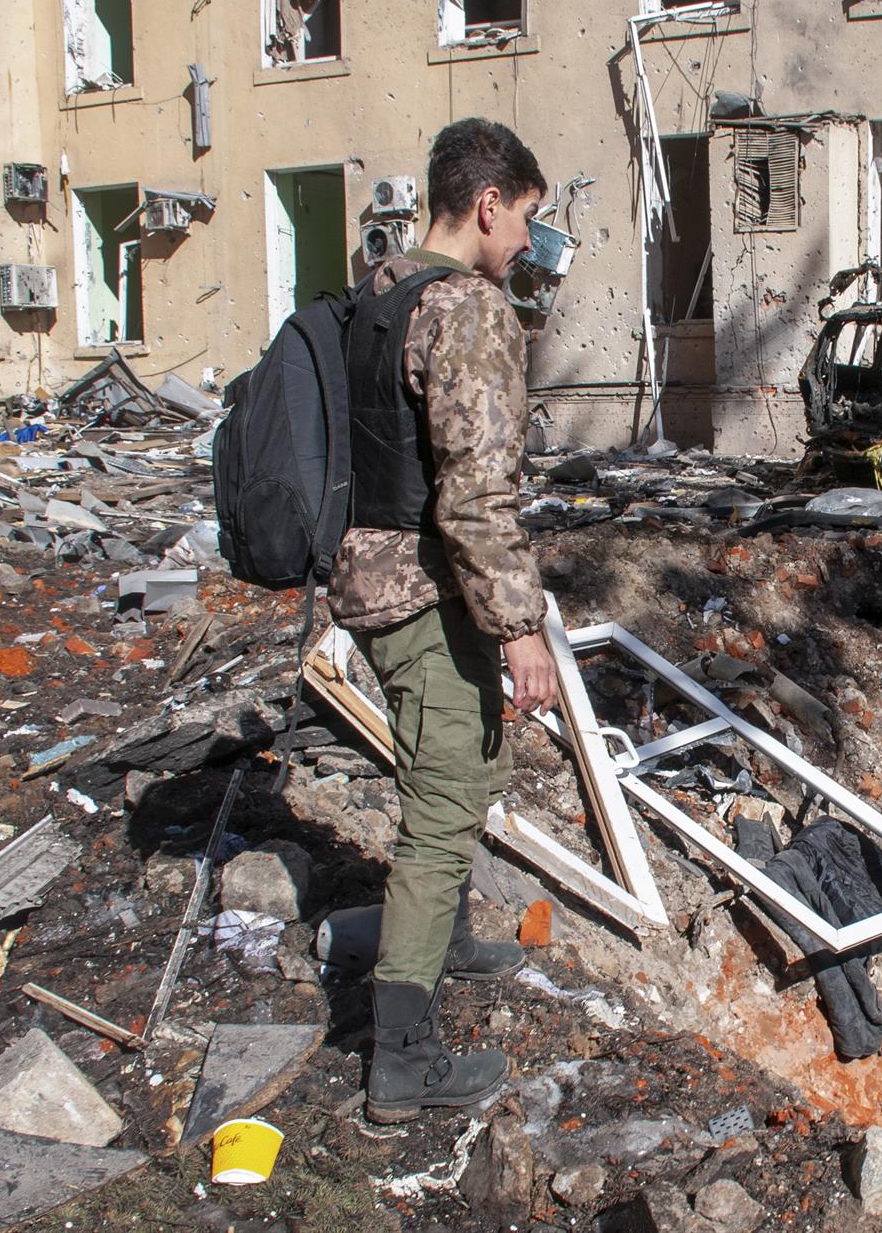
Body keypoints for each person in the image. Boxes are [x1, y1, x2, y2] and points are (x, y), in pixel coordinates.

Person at [328, 117, 560, 1124]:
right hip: (429, 591)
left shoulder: (379, 290)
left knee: (451, 772)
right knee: (439, 807)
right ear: (487, 203)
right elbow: (474, 495)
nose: (528, 248)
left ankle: (448, 940)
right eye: (527, 224)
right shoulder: (467, 310)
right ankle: (403, 1059)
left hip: (371, 581)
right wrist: (520, 628)